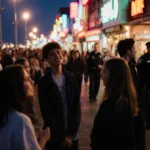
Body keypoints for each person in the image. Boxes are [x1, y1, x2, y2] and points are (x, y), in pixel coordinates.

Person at [38, 42, 81, 150]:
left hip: (72, 134)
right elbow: (47, 112)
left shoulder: (71, 77)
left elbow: (76, 106)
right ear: (47, 60)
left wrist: (71, 134)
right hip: (54, 136)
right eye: (52, 54)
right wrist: (61, 138)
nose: (57, 55)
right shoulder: (44, 82)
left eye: (58, 52)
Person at [91, 58, 138, 150]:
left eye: (104, 72)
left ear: (114, 75)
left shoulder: (112, 105)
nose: (101, 75)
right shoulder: (127, 101)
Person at [0, 65, 50, 150]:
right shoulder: (21, 120)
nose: (32, 82)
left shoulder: (5, 115)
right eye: (27, 79)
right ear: (16, 86)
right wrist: (43, 139)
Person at [117, 38, 145, 150]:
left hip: (137, 106)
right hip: (129, 110)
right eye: (133, 48)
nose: (135, 50)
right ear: (128, 51)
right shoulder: (120, 68)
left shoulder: (132, 65)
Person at [137, 42, 150, 129]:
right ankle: (147, 123)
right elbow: (139, 72)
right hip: (146, 86)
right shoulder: (143, 58)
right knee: (147, 105)